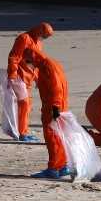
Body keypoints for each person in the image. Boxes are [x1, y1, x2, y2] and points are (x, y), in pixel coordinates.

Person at [27, 49, 71, 179]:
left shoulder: (47, 67)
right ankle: (63, 166)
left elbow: (56, 87)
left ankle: (53, 168)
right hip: (58, 105)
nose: (30, 65)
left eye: (29, 62)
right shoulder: (51, 63)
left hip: (52, 107)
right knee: (59, 136)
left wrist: (55, 106)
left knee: (52, 138)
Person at [6, 22, 54, 142]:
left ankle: (23, 131)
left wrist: (38, 79)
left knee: (27, 105)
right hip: (18, 76)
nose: (45, 38)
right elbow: (14, 56)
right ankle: (22, 133)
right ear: (40, 31)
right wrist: (12, 74)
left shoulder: (38, 43)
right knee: (24, 103)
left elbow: (36, 63)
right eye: (45, 35)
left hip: (29, 78)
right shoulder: (24, 38)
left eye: (47, 37)